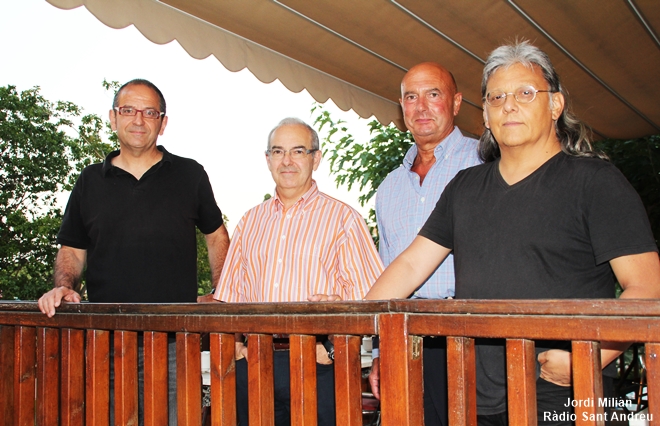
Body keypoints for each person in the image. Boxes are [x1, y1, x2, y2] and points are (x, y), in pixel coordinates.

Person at [365, 41, 660, 425]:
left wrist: (591, 354)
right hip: (476, 396)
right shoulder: (464, 188)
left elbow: (647, 287)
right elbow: (408, 266)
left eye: (525, 93)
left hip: (567, 392)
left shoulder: (595, 182)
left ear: (555, 105)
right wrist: (353, 325)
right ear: (486, 115)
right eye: (497, 97)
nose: (509, 105)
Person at [38, 79, 230, 425]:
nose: (138, 120)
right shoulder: (89, 181)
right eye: (128, 110)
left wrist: (223, 291)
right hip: (105, 342)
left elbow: (216, 236)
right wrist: (64, 286)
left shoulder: (190, 174)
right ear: (113, 118)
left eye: (149, 112)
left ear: (163, 123)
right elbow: (73, 249)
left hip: (175, 342)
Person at [213, 117, 384, 426]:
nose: (287, 161)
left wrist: (329, 348)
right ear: (268, 160)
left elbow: (372, 299)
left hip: (319, 364)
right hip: (256, 363)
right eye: (278, 151)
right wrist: (237, 346)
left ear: (316, 158)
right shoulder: (249, 222)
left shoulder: (344, 220)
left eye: (298, 151)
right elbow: (229, 299)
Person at [369, 62, 481, 426]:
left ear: (456, 102)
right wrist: (379, 352)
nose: (421, 107)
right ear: (401, 108)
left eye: (433, 94)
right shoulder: (389, 187)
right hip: (405, 340)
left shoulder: (485, 163)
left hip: (470, 338)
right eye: (410, 97)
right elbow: (388, 272)